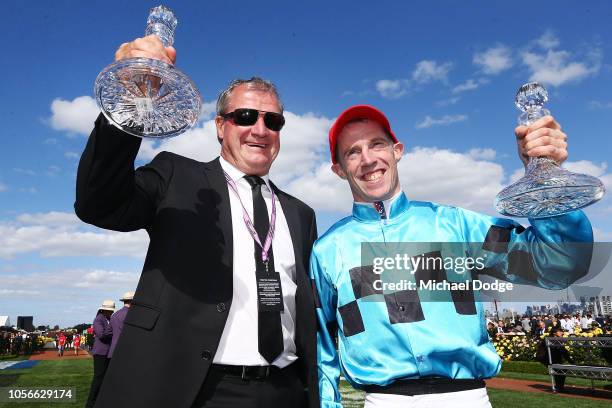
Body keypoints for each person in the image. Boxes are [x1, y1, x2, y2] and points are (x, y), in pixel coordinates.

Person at [74, 35, 318, 408]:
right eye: (246, 117)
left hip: (283, 391)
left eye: (274, 120)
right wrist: (130, 100)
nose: (260, 129)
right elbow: (99, 203)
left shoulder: (301, 213)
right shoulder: (177, 176)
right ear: (221, 125)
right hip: (194, 388)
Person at [309, 105, 593, 407]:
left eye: (376, 144)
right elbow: (320, 348)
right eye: (352, 152)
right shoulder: (328, 249)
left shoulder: (457, 225)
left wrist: (546, 179)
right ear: (339, 169)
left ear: (397, 151)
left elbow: (560, 264)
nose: (367, 159)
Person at [85, 300, 114, 408]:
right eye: (110, 311)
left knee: (103, 378)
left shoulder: (108, 319)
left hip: (107, 352)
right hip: (100, 353)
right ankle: (90, 403)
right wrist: (113, 332)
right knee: (98, 378)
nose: (111, 313)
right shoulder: (98, 320)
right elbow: (101, 335)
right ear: (104, 310)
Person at [107, 291, 134, 359]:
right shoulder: (133, 315)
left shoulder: (114, 315)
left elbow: (108, 332)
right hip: (127, 350)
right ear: (132, 301)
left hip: (114, 350)